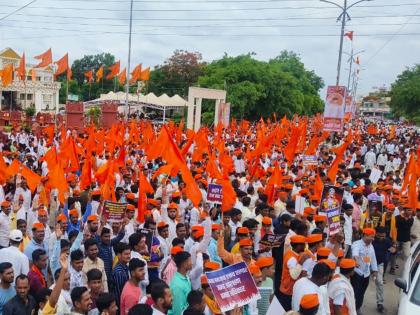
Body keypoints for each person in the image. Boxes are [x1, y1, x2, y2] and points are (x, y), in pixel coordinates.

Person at [351, 228, 378, 312]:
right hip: (357, 273)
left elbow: (373, 259)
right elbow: (355, 252)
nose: (373, 239)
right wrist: (355, 258)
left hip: (366, 274)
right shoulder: (357, 244)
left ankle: (358, 308)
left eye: (373, 237)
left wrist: (375, 271)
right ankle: (352, 310)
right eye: (371, 237)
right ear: (365, 235)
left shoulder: (371, 246)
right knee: (355, 293)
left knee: (362, 293)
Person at [280, 235, 308, 311]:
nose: (305, 246)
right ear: (298, 246)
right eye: (303, 244)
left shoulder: (292, 253)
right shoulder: (291, 258)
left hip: (290, 290)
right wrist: (301, 263)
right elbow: (294, 276)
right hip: (288, 292)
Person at [372, 226, 394, 313]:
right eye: (380, 236)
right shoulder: (371, 240)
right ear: (375, 233)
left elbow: (392, 249)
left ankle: (380, 303)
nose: (382, 238)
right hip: (367, 264)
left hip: (379, 264)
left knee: (380, 282)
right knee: (362, 284)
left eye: (383, 236)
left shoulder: (387, 241)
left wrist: (394, 250)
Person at [112, 242, 131, 308]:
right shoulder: (119, 272)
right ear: (119, 255)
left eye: (129, 254)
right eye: (126, 254)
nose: (128, 256)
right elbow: (120, 292)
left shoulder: (125, 267)